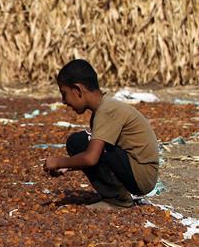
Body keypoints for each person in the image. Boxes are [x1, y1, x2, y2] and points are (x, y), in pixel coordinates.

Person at [43, 59, 159, 210]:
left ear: (77, 90)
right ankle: (115, 195)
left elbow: (91, 158)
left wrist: (59, 162)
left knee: (78, 142)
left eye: (64, 94)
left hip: (142, 176)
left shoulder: (107, 110)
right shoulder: (103, 108)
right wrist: (68, 167)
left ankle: (117, 199)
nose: (64, 101)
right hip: (138, 170)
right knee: (84, 142)